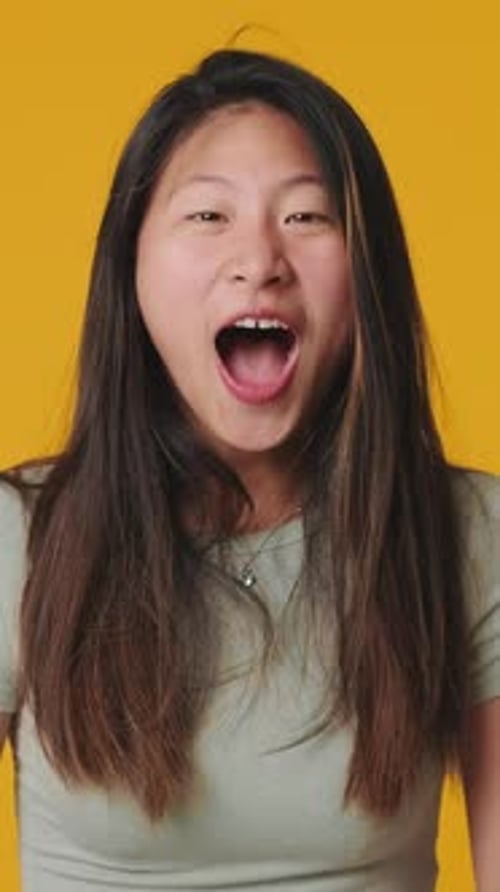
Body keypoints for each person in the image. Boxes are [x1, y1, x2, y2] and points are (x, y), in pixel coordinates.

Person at [0, 47, 498, 892]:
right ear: (131, 269)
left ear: (366, 272)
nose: (259, 259)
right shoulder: (20, 537)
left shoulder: (469, 535)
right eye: (207, 218)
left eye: (307, 218)